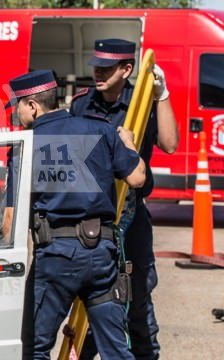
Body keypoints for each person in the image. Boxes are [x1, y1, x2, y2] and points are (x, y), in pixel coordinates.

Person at [3, 70, 146, 359]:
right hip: (101, 258)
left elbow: (11, 219)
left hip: (55, 259)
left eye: (18, 105)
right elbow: (137, 178)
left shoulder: (25, 146)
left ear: (32, 105)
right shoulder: (100, 130)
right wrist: (129, 142)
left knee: (35, 348)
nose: (16, 112)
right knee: (116, 351)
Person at [70, 38, 179, 360]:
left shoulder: (142, 102)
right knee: (89, 300)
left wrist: (163, 95)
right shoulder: (82, 104)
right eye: (96, 66)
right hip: (93, 215)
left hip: (131, 216)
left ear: (127, 69)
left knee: (139, 301)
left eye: (106, 67)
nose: (97, 73)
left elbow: (170, 144)